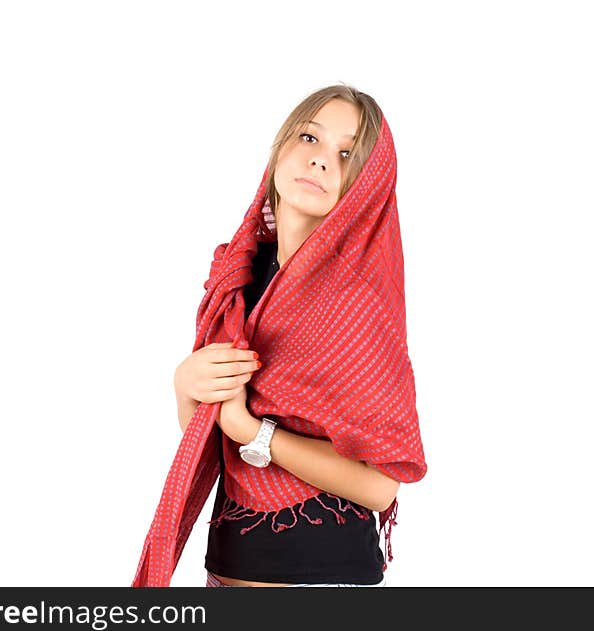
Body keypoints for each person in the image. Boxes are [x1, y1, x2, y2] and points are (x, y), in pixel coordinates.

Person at [133, 83, 426, 588]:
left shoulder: (356, 304)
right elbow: (214, 435)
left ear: (366, 185)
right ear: (280, 148)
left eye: (346, 153)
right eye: (310, 139)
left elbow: (381, 486)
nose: (320, 161)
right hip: (228, 572)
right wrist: (186, 386)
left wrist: (256, 434)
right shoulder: (240, 279)